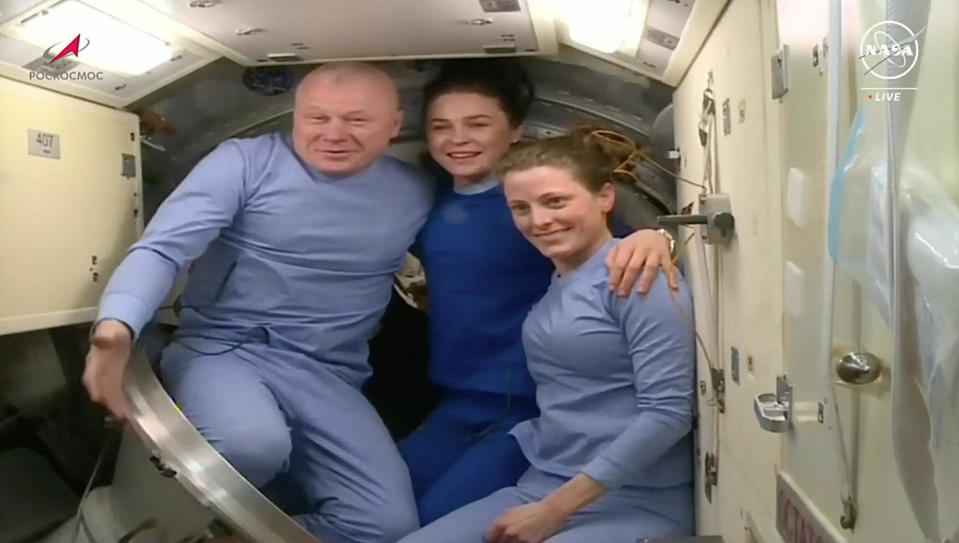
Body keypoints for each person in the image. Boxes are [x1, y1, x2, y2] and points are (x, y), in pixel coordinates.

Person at [82, 62, 432, 543]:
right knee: (251, 446)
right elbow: (164, 248)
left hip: (330, 373)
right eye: (317, 117)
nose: (334, 133)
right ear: (294, 115)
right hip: (226, 350)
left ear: (394, 125)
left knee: (384, 525)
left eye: (356, 120)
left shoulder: (415, 192)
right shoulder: (244, 162)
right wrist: (114, 329)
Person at [397, 60, 678, 525]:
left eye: (477, 124)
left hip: (527, 410)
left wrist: (657, 238)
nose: (457, 138)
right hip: (455, 400)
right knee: (378, 511)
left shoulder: (538, 206)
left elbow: (616, 244)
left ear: (516, 131)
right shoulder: (428, 205)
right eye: (441, 126)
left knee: (432, 515)